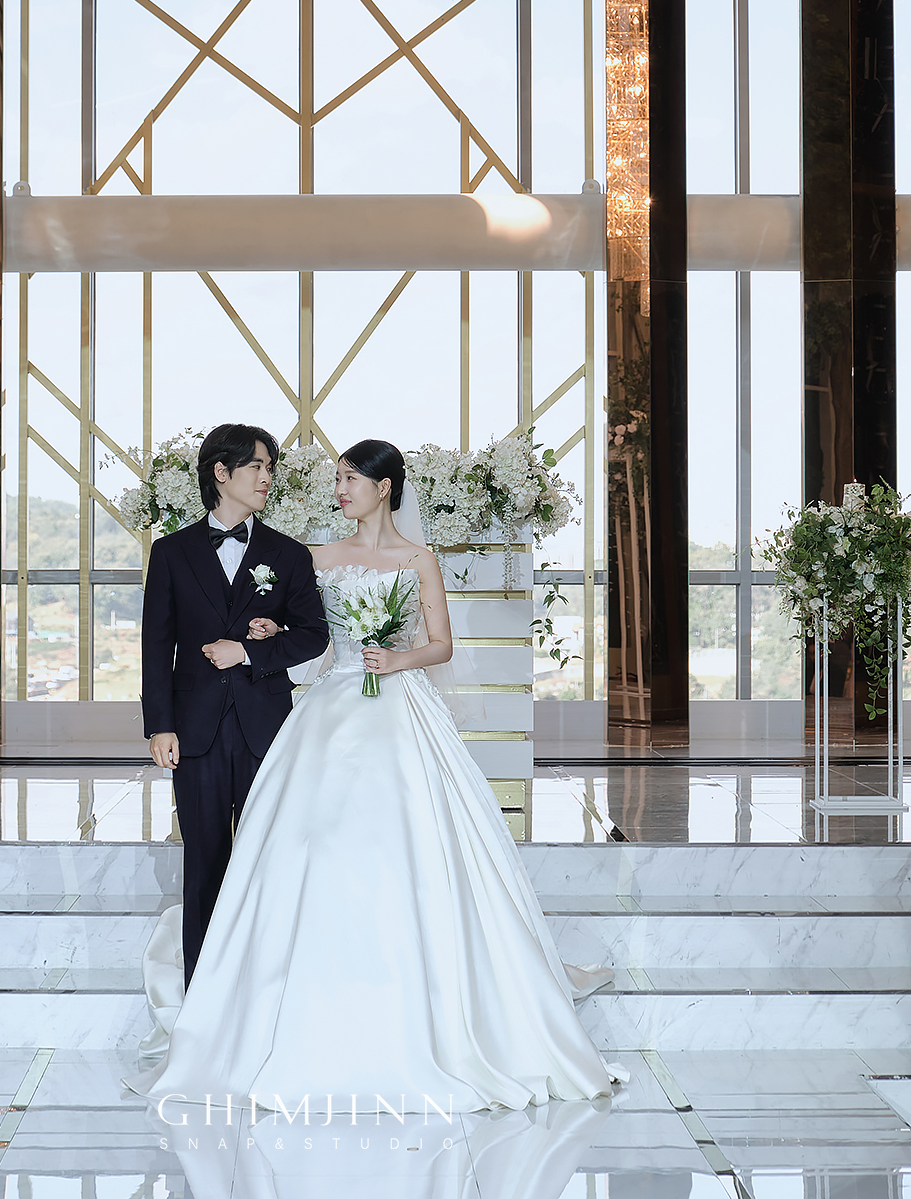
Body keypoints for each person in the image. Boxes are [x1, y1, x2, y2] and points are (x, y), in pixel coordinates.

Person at [128, 438, 622, 1115]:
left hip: (398, 708)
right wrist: (268, 632)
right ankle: (235, 997)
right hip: (329, 708)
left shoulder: (416, 559)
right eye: (335, 479)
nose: (338, 490)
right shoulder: (311, 557)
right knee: (300, 845)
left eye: (349, 479)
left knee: (405, 840)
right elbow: (309, 633)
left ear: (384, 487)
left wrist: (395, 659)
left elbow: (441, 645)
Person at [141, 423, 330, 986]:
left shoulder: (288, 554)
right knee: (203, 859)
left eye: (270, 468)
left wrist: (248, 651)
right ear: (221, 473)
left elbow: (314, 636)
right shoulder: (171, 553)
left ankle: (262, 982)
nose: (267, 477)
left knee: (264, 856)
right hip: (194, 730)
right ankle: (203, 985)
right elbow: (156, 646)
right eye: (257, 466)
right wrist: (159, 726)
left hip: (264, 728)